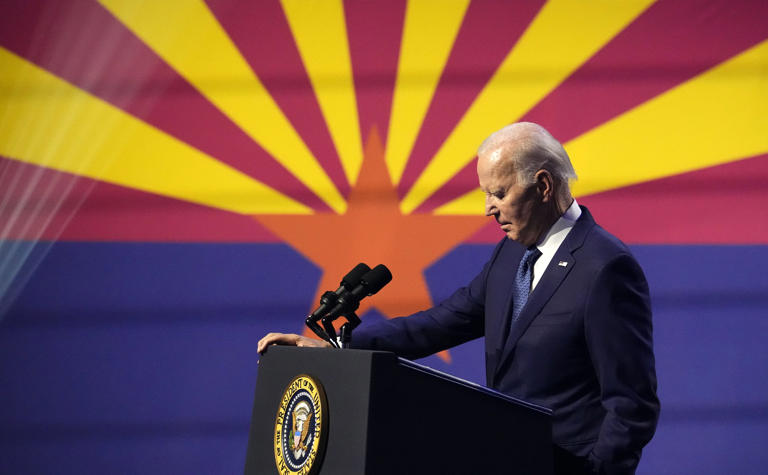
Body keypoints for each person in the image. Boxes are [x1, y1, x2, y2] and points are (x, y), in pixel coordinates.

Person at [258, 122, 659, 475]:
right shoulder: (512, 253)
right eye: (486, 194)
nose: (489, 209)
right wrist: (338, 348)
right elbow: (441, 323)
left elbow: (632, 406)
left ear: (543, 185)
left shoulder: (604, 267)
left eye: (498, 193)